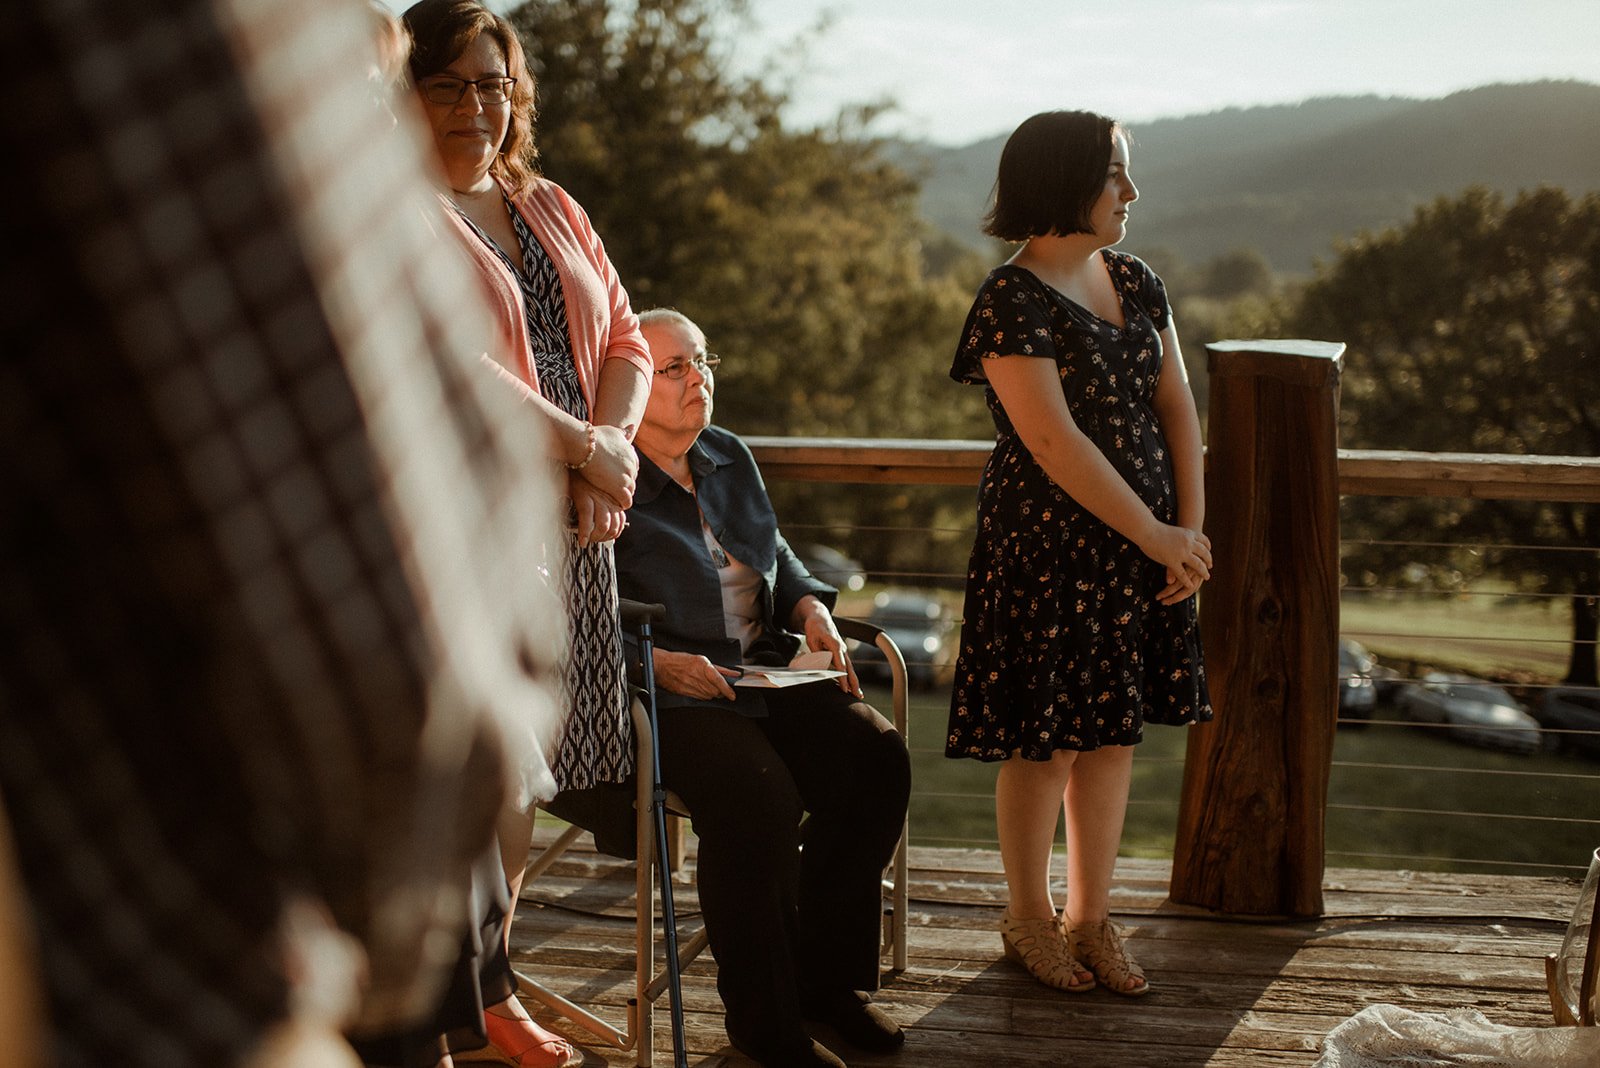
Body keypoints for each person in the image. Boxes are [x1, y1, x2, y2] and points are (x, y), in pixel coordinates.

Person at [402, 2, 651, 1065]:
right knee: (473, 762)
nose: (479, 107)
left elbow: (629, 336)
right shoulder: (395, 212)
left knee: (523, 773)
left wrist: (615, 448)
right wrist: (582, 451)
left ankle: (488, 991)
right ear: (404, 94)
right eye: (451, 85)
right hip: (466, 527)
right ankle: (456, 1004)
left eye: (495, 85)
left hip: (575, 530)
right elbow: (453, 367)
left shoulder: (547, 202)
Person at [945, 110, 1213, 998]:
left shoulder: (1136, 279)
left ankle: (1092, 920)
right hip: (1048, 555)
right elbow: (1055, 446)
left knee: (1111, 740)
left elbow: (1178, 407)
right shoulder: (1008, 300)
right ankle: (1029, 918)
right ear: (1064, 182)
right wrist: (1159, 536)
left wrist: (1190, 539)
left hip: (1145, 555)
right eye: (1114, 176)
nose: (1131, 192)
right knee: (1046, 745)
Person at [612, 309, 912, 1068]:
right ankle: (765, 1023)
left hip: (765, 667)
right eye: (673, 368)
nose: (697, 380)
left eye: (702, 362)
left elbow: (772, 553)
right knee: (758, 799)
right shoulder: (606, 478)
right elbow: (577, 610)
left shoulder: (727, 455)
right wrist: (655, 662)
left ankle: (824, 987)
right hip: (671, 692)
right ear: (632, 384)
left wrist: (810, 606)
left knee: (875, 757)